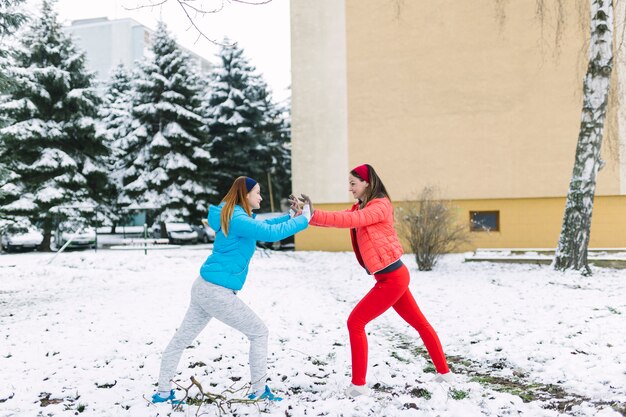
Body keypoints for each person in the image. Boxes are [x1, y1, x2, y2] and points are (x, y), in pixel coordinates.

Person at [152, 176, 311, 404]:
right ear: (245, 195)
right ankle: (258, 390)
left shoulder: (236, 215)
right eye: (257, 192)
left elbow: (264, 226)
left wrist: (290, 217)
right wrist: (304, 219)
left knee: (181, 340)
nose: (261, 197)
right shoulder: (236, 217)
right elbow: (269, 234)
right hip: (216, 291)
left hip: (205, 288)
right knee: (259, 332)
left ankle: (163, 393)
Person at [303, 164, 451, 398]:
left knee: (356, 322)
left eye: (353, 183)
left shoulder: (379, 206)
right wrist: (307, 217)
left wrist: (312, 214)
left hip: (392, 279)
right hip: (391, 277)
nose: (350, 188)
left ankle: (358, 386)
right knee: (420, 324)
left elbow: (353, 220)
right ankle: (445, 373)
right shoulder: (362, 206)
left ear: (367, 183)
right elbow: (342, 218)